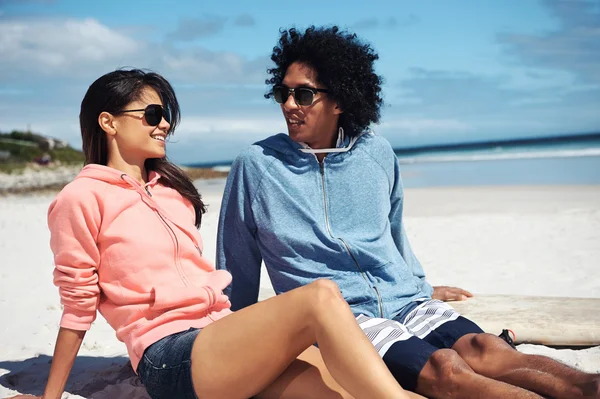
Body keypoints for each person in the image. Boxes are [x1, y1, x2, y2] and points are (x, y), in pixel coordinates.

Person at [216, 26, 600, 399]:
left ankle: (589, 387)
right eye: (283, 92)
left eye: (303, 94)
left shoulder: (376, 152)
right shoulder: (257, 165)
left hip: (407, 299)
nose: (288, 104)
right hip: (341, 318)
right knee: (446, 370)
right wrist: (231, 333)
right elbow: (237, 263)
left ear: (340, 101)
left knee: (486, 348)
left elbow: (394, 230)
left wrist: (417, 281)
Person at [5, 69, 421, 399]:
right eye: (152, 114)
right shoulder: (81, 197)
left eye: (165, 114)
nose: (164, 123)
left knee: (349, 391)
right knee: (320, 296)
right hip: (169, 357)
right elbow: (78, 303)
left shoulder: (172, 194)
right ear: (108, 122)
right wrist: (50, 396)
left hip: (222, 338)